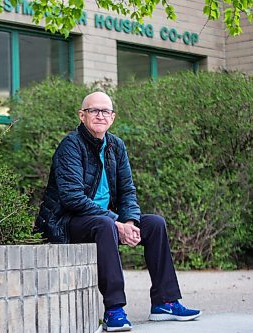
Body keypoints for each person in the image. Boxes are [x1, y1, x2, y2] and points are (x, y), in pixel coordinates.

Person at [35, 91, 201, 332]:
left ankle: (165, 302)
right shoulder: (70, 145)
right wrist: (115, 222)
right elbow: (72, 198)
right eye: (94, 111)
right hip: (67, 221)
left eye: (106, 111)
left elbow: (127, 191)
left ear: (112, 118)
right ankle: (114, 309)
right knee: (103, 225)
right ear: (82, 116)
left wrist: (130, 222)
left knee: (154, 223)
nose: (100, 115)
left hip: (103, 219)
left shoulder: (116, 146)